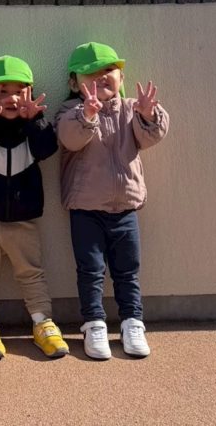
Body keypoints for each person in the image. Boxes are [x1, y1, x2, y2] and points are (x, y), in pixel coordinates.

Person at [55, 41, 169, 360]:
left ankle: (132, 322)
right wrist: (88, 114)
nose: (102, 77)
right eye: (91, 74)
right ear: (74, 84)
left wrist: (149, 114)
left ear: (122, 77)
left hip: (126, 208)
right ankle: (94, 324)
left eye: (109, 70)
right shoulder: (69, 112)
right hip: (85, 209)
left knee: (128, 270)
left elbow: (150, 137)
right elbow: (69, 138)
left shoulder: (132, 109)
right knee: (90, 271)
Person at [0, 55, 69, 361]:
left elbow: (47, 148)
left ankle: (42, 322)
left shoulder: (32, 127)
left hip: (23, 220)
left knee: (32, 273)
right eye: (2, 91)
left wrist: (33, 120)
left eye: (19, 91)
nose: (11, 98)